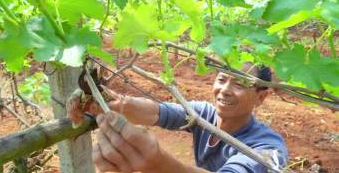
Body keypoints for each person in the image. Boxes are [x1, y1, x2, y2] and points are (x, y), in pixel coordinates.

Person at [67, 63, 288, 172]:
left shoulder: (268, 148)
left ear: (262, 96)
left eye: (239, 84)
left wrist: (158, 164)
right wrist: (101, 99)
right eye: (221, 79)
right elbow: (156, 111)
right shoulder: (202, 114)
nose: (225, 90)